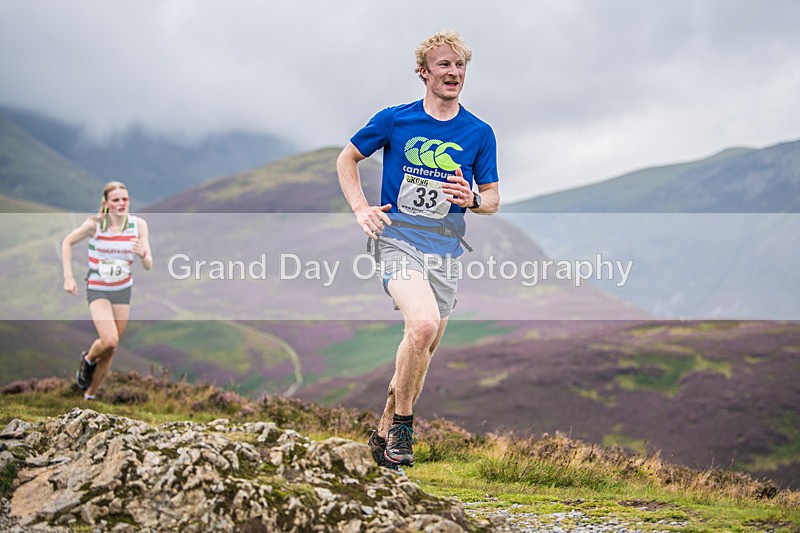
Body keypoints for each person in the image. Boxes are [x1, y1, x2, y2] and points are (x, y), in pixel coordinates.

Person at [337, 30, 500, 471]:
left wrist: (472, 200)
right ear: (424, 72)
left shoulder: (479, 132)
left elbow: (492, 200)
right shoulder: (396, 119)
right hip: (397, 240)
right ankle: (406, 427)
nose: (453, 73)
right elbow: (346, 159)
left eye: (460, 65)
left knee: (420, 348)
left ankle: (384, 431)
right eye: (444, 65)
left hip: (445, 250)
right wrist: (360, 209)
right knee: (423, 326)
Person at [61, 181, 152, 400]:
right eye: (116, 200)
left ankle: (89, 396)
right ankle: (89, 360)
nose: (121, 204)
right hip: (98, 288)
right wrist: (68, 276)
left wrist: (143, 255)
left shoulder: (138, 225)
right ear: (106, 203)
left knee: (112, 349)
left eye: (125, 199)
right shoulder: (94, 225)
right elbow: (67, 242)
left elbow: (148, 264)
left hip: (122, 290)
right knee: (109, 340)